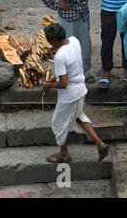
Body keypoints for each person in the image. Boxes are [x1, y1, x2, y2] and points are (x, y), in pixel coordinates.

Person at [42, 23, 109, 163]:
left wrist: (49, 85)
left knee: (58, 124)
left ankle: (64, 154)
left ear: (54, 40)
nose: (48, 43)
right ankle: (100, 144)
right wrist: (58, 77)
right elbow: (70, 69)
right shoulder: (74, 40)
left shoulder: (59, 56)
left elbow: (63, 83)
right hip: (80, 89)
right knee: (79, 116)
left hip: (70, 95)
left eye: (49, 40)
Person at [38, 0, 94, 84]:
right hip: (67, 15)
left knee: (85, 45)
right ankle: (67, 74)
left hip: (82, 13)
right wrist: (56, 4)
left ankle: (86, 73)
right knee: (66, 46)